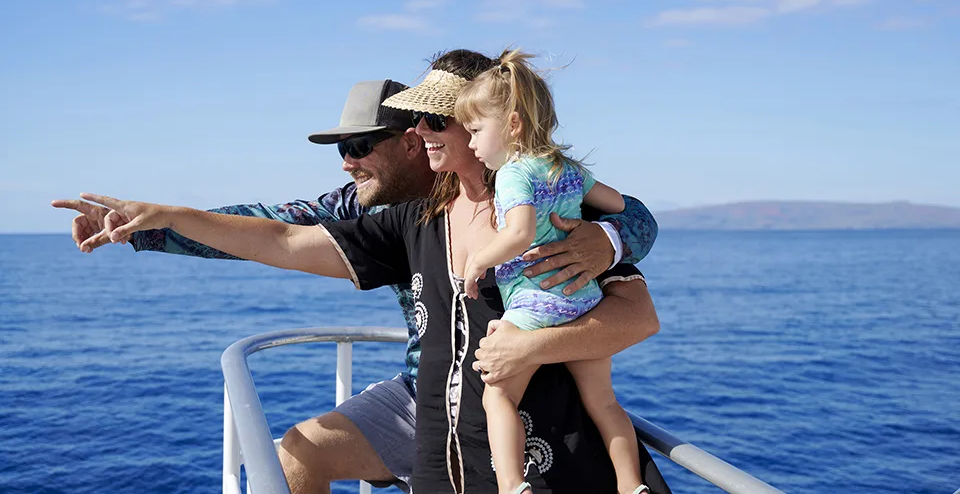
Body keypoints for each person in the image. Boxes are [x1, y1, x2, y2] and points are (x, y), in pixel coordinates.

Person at [52, 63, 663, 493]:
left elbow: (635, 272)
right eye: (341, 147)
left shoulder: (539, 204)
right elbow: (276, 232)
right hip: (431, 395)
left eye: (364, 142)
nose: (349, 159)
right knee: (300, 453)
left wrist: (611, 240)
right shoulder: (382, 214)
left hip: (524, 406)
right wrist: (145, 226)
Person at [456, 49, 646, 494]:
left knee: (498, 396)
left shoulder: (511, 173)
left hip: (536, 304)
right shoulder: (568, 168)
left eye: (476, 131)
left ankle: (510, 486)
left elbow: (519, 233)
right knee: (604, 402)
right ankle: (631, 486)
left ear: (514, 126)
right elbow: (620, 205)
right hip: (583, 298)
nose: (471, 145)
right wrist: (593, 228)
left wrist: (480, 259)